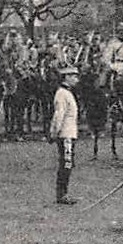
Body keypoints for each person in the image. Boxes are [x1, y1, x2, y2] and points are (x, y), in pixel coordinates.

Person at [49, 64, 81, 205]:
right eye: (73, 76)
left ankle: (63, 193)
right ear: (66, 77)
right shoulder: (62, 94)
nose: (76, 79)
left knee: (68, 163)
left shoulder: (67, 93)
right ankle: (62, 194)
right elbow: (59, 116)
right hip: (65, 134)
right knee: (66, 164)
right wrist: (54, 133)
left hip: (69, 133)